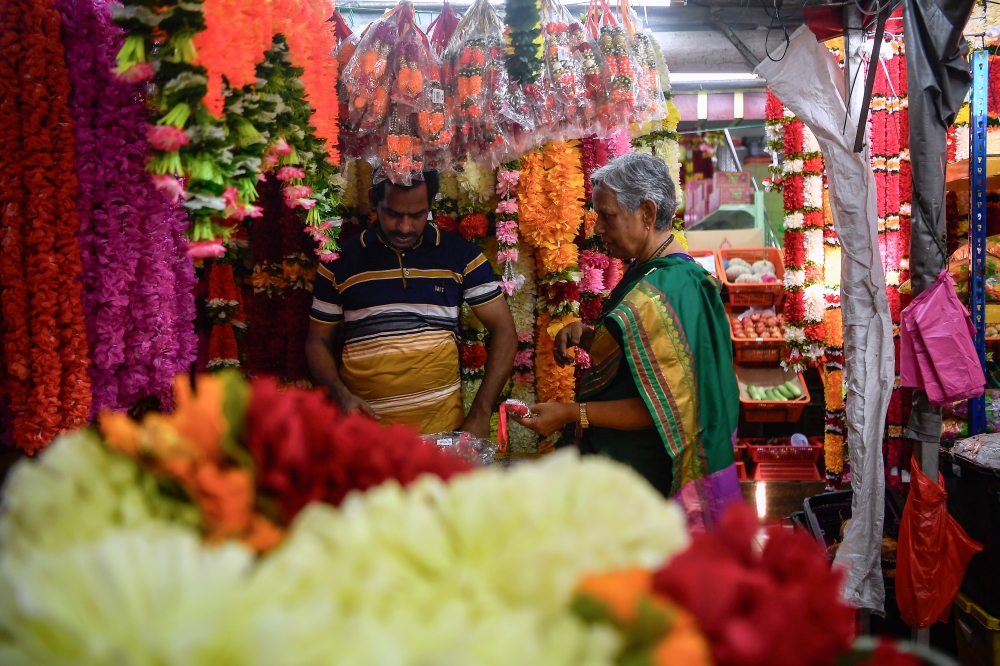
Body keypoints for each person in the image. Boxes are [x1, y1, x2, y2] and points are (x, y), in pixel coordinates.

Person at [513, 153, 741, 530]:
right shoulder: (649, 271)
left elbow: (664, 407)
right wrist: (589, 336)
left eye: (608, 215)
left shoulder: (672, 286)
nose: (598, 227)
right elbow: (644, 361)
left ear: (647, 213)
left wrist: (571, 413)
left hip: (647, 482)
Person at [306, 169, 517, 438]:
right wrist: (341, 396)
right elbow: (317, 341)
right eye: (393, 214)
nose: (404, 227)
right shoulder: (338, 261)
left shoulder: (460, 255)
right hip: (367, 438)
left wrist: (480, 413)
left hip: (444, 435)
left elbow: (505, 332)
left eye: (417, 215)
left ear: (431, 204)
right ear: (373, 200)